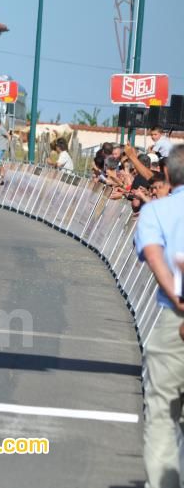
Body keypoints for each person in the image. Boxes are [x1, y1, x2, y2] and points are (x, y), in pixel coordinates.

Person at [134, 144, 184, 488]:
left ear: (166, 174)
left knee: (164, 413)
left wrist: (179, 300)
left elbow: (154, 257)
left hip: (175, 318)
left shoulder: (157, 212)